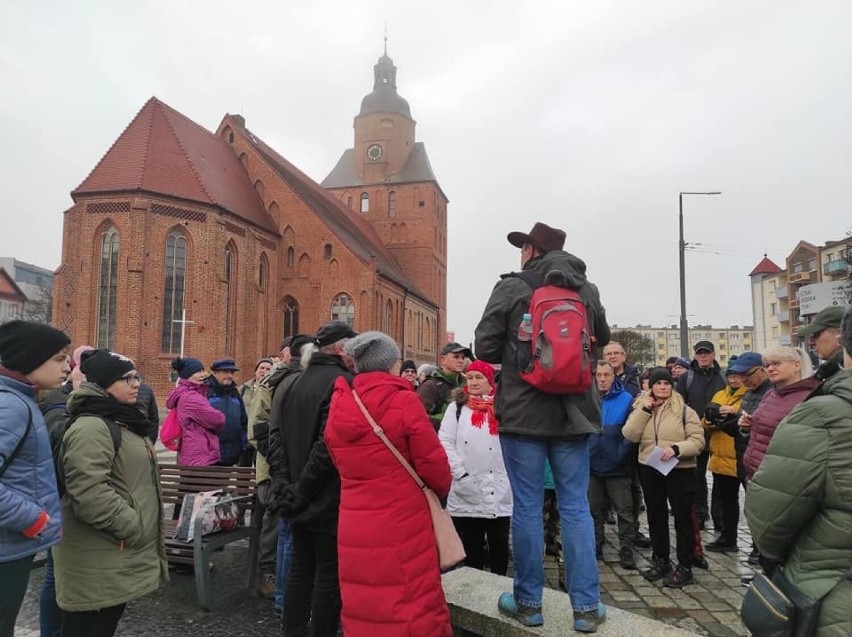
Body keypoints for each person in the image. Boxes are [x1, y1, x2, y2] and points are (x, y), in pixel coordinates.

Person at [475, 221, 609, 632]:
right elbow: (600, 339)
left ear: (531, 250)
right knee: (575, 508)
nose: (520, 253)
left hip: (523, 413)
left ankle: (528, 602)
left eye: (522, 246)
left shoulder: (513, 286)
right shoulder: (586, 290)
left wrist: (524, 358)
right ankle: (586, 608)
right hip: (575, 414)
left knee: (528, 507)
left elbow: (484, 347)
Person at [325, 331, 453, 636]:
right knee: (411, 600)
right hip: (403, 520)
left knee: (365, 600)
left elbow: (336, 457)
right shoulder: (404, 400)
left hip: (354, 520)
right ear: (391, 364)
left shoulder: (342, 403)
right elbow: (435, 467)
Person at [744, 306, 852, 635]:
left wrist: (779, 557)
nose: (814, 343)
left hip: (827, 585)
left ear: (843, 341)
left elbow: (771, 519)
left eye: (818, 335)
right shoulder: (776, 398)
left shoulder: (822, 411)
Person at [53, 349, 167, 637]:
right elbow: (89, 492)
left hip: (111, 554)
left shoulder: (121, 419)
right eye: (127, 378)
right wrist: (133, 525)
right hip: (97, 556)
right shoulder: (93, 426)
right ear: (104, 382)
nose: (136, 383)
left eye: (136, 376)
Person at [270, 320, 356, 637]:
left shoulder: (295, 380)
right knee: (326, 574)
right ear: (340, 348)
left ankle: (292, 631)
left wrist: (285, 484)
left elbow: (274, 436)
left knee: (300, 567)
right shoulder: (343, 382)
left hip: (297, 492)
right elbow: (327, 445)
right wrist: (302, 490)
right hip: (325, 496)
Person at [0, 321, 70, 637]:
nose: (68, 366)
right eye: (58, 358)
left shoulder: (20, 399)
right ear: (30, 358)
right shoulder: (11, 405)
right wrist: (34, 518)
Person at [623, 367, 705, 588]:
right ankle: (661, 559)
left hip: (679, 468)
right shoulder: (641, 407)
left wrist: (678, 449)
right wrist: (644, 411)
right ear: (651, 387)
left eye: (666, 384)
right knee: (655, 515)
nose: (662, 387)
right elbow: (629, 434)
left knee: (682, 518)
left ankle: (685, 565)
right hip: (650, 467)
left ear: (672, 386)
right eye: (658, 384)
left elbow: (698, 441)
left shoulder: (684, 410)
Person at [248, 337, 311, 603]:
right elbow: (258, 428)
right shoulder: (270, 383)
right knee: (273, 522)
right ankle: (268, 572)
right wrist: (279, 461)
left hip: (294, 466)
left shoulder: (304, 380)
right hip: (273, 467)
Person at [439, 360, 512, 575]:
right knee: (472, 543)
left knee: (499, 542)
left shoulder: (502, 406)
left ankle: (500, 584)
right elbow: (445, 441)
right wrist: (460, 472)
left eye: (479, 377)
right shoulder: (457, 408)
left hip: (500, 485)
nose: (473, 382)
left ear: (490, 382)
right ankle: (474, 587)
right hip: (468, 485)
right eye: (470, 378)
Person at [742, 346, 817, 483]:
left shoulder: (808, 398)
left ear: (797, 365)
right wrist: (748, 425)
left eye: (776, 363)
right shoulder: (771, 394)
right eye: (767, 365)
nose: (770, 369)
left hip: (782, 481)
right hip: (757, 477)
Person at [588, 361, 637, 570]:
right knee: (593, 510)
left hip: (617, 466)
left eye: (606, 374)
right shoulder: (586, 398)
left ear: (613, 376)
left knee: (624, 511)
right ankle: (595, 545)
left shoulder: (626, 399)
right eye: (598, 375)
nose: (602, 379)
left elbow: (632, 432)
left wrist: (620, 453)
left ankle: (626, 549)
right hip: (591, 465)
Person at [675, 341, 726, 529]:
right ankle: (700, 514)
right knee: (696, 476)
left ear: (713, 354)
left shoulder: (723, 376)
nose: (703, 356)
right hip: (696, 433)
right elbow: (679, 405)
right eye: (700, 353)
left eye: (707, 353)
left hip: (721, 433)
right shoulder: (686, 378)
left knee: (721, 475)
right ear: (695, 356)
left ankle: (720, 518)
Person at [702, 369, 746, 553]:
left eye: (738, 376)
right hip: (720, 455)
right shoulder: (720, 394)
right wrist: (710, 420)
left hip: (740, 455)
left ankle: (757, 548)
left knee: (751, 504)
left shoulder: (750, 395)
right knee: (727, 502)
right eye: (731, 377)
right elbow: (704, 422)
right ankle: (728, 538)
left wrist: (734, 411)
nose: (734, 380)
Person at [166, 357, 225, 466]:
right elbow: (218, 419)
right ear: (187, 375)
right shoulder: (190, 397)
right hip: (198, 457)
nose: (203, 375)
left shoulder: (193, 393)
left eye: (202, 371)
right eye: (198, 372)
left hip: (195, 455)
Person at [417, 342, 473, 430]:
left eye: (462, 357)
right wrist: (450, 419)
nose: (461, 360)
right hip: (439, 439)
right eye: (456, 357)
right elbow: (419, 417)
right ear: (443, 360)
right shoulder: (430, 385)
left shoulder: (467, 383)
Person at [206, 358, 248, 466]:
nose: (229, 375)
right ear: (215, 372)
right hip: (209, 453)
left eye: (232, 372)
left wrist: (242, 443)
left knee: (224, 482)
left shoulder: (235, 394)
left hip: (232, 453)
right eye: (225, 372)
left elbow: (243, 421)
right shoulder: (205, 392)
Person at [798, 305, 845, 382]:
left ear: (840, 335)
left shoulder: (844, 374)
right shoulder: (836, 371)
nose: (811, 342)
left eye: (817, 334)